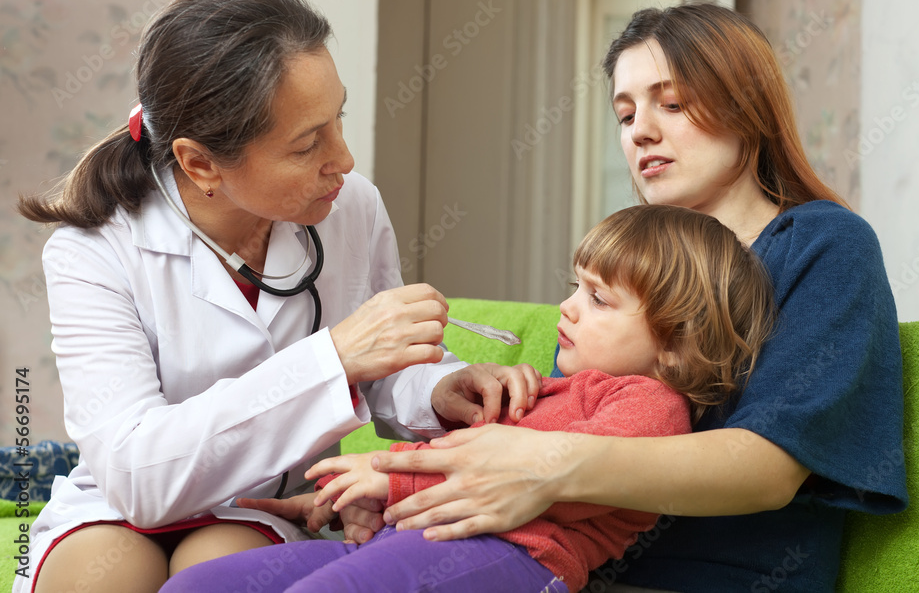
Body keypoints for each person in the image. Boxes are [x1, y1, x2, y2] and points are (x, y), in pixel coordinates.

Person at [349, 3, 909, 592]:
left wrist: (544, 464)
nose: (639, 130)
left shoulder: (824, 245)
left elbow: (768, 468)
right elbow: (573, 428)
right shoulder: (627, 271)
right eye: (625, 114)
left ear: (747, 108)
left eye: (673, 104)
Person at [14, 0, 538, 593]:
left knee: (216, 568)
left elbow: (383, 373)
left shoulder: (351, 207)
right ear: (200, 163)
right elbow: (138, 479)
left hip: (262, 504)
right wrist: (333, 357)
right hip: (118, 505)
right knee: (104, 573)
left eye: (338, 119)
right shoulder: (92, 250)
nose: (343, 159)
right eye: (307, 144)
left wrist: (439, 389)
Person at [159, 204, 777, 593]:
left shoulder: (650, 405)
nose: (566, 307)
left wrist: (387, 477)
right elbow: (455, 465)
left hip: (515, 559)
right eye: (575, 287)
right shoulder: (546, 388)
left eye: (598, 299)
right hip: (418, 540)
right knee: (199, 586)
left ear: (676, 346)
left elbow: (546, 481)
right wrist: (356, 499)